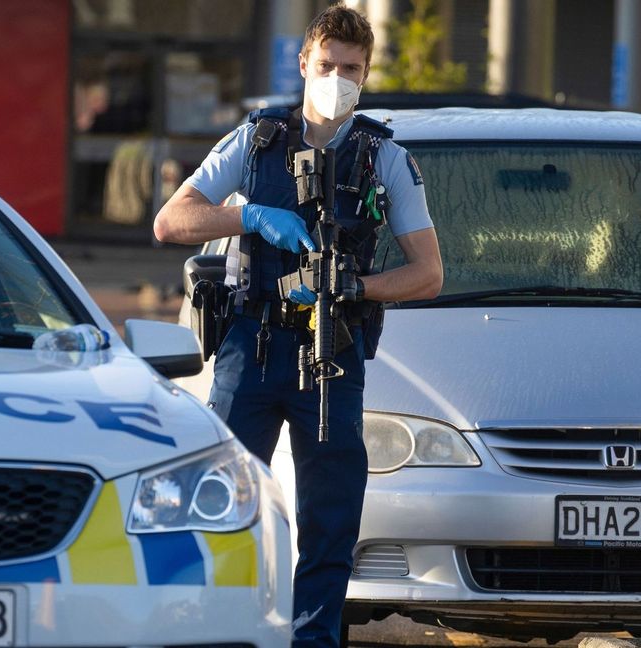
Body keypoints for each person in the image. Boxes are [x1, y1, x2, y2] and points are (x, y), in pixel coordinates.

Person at [153, 5, 443, 647]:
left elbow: (428, 273)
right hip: (250, 346)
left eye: (352, 69)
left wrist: (357, 287)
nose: (338, 78)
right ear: (303, 65)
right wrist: (251, 217)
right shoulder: (257, 141)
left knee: (331, 515)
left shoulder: (382, 157)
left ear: (366, 75)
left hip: (333, 351)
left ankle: (313, 639)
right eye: (327, 66)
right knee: (223, 499)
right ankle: (219, 630)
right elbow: (170, 222)